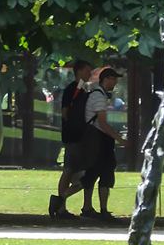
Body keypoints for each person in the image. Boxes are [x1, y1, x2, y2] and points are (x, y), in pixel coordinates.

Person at [49, 59, 93, 218]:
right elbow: (66, 112)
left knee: (74, 171)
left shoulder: (82, 90)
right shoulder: (72, 90)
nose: (90, 74)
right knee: (71, 170)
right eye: (88, 70)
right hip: (75, 137)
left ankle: (63, 204)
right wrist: (73, 127)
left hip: (78, 136)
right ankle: (60, 203)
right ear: (79, 71)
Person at [79, 66, 124, 221]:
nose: (116, 82)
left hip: (96, 140)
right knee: (100, 174)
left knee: (93, 174)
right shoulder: (99, 96)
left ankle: (89, 207)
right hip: (99, 140)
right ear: (106, 79)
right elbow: (103, 123)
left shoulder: (98, 95)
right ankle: (63, 199)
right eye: (114, 79)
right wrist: (119, 139)